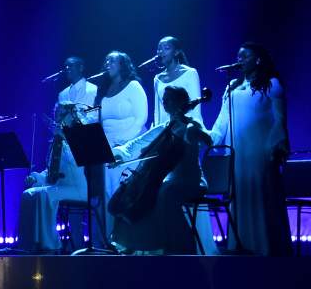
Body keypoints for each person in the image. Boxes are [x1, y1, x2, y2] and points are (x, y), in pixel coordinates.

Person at [206, 43, 292, 255]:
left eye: (245, 56)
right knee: (240, 198)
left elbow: (280, 119)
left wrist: (277, 145)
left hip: (261, 152)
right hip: (238, 154)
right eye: (238, 56)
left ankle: (268, 249)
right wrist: (208, 137)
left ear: (258, 59)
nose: (240, 59)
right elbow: (222, 121)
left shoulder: (271, 84)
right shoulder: (232, 87)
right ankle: (241, 246)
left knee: (262, 198)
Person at [111, 86, 212, 254]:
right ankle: (144, 242)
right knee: (153, 191)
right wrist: (121, 154)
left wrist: (192, 130)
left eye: (169, 99)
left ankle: (181, 245)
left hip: (191, 180)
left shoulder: (192, 125)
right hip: (171, 181)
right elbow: (138, 142)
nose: (164, 103)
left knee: (164, 192)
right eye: (163, 100)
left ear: (181, 102)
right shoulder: (165, 127)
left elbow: (209, 141)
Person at [91, 52, 149, 249]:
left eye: (112, 60)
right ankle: (107, 238)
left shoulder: (134, 86)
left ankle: (124, 239)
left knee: (120, 191)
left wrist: (123, 145)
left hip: (129, 147)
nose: (107, 63)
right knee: (105, 191)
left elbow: (141, 118)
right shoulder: (104, 89)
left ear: (123, 64)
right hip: (106, 147)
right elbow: (98, 118)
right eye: (106, 60)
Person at [15, 102, 87, 252]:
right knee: (29, 193)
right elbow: (50, 171)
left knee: (46, 194)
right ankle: (29, 243)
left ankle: (49, 244)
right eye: (56, 115)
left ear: (72, 115)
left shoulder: (82, 134)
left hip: (78, 187)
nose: (57, 119)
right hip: (61, 186)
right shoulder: (57, 139)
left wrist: (64, 138)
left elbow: (79, 164)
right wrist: (35, 178)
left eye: (61, 115)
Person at [152, 36, 205, 128]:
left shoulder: (190, 73)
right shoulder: (157, 79)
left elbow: (195, 108)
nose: (161, 52)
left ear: (176, 52)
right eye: (159, 49)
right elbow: (158, 111)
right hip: (165, 130)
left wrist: (194, 129)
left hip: (185, 128)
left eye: (166, 48)